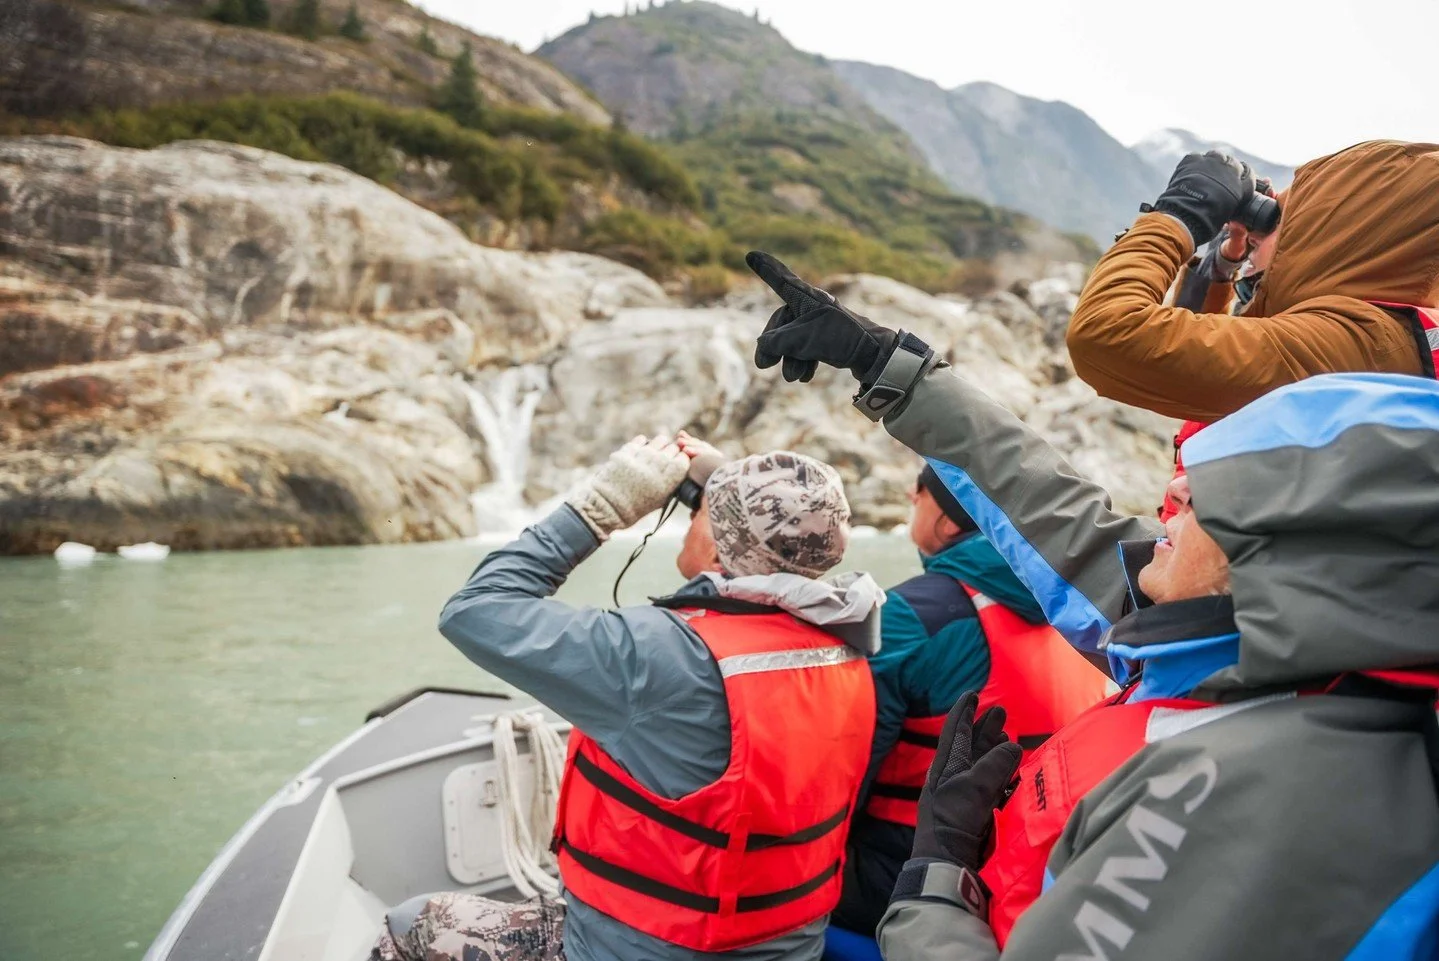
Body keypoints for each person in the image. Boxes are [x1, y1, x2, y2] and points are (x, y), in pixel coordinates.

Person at [743, 248, 1439, 959]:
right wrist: (886, 363)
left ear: (1293, 547)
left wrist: (935, 880)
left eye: (1216, 492)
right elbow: (1057, 510)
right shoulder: (1218, 638)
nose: (1170, 494)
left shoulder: (1259, 793)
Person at [373, 434, 881, 961]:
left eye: (700, 512)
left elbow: (475, 609)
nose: (690, 521)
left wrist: (601, 510)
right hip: (784, 946)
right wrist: (739, 489)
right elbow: (771, 551)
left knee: (414, 923)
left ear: (718, 542)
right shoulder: (848, 646)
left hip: (640, 949)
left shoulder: (655, 657)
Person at [1066, 142, 1439, 518]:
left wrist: (1177, 218)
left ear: (1340, 240)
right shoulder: (1388, 336)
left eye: (1291, 222)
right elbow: (1202, 356)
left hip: (1225, 573)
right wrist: (1221, 270)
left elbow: (1105, 336)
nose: (1263, 233)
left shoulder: (1357, 348)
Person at [832, 465, 1106, 937]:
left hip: (905, 870)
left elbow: (841, 777)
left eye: (916, 494)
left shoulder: (904, 617)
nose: (909, 498)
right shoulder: (1086, 611)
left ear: (945, 520)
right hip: (1040, 865)